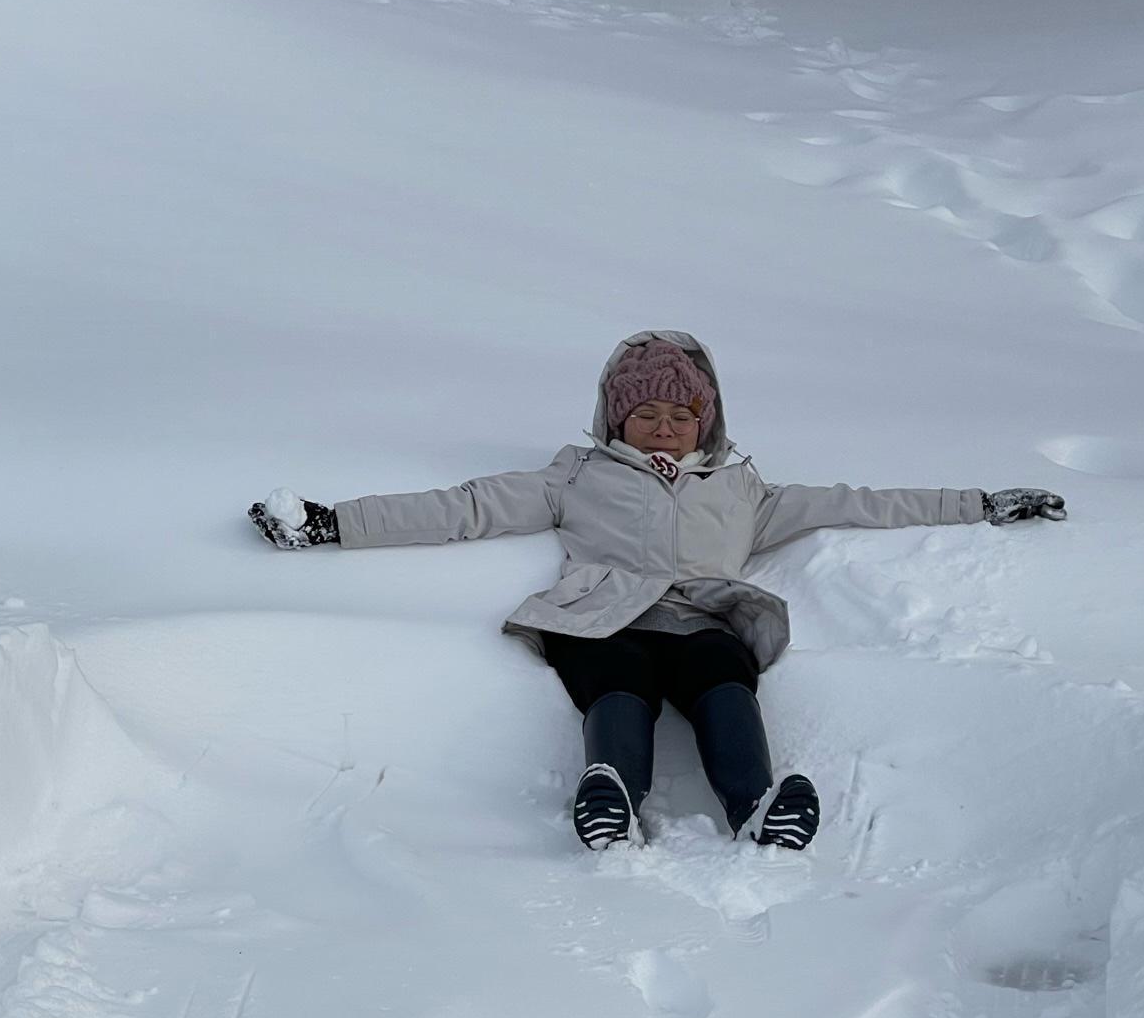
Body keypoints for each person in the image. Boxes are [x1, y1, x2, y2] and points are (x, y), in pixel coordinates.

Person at [248, 330, 1066, 853]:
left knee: (721, 666)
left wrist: (978, 504)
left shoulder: (743, 490)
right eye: (645, 413)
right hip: (601, 614)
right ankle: (612, 795)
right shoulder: (576, 475)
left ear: (705, 421)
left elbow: (860, 502)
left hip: (700, 613)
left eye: (681, 412)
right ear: (617, 422)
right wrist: (333, 524)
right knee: (618, 673)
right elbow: (463, 508)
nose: (665, 425)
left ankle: (755, 802)